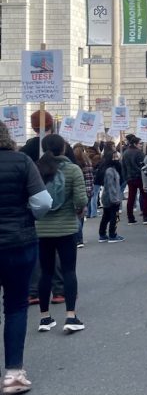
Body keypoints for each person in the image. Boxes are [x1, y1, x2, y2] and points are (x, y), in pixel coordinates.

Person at [0, 121, 51, 393]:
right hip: (19, 241)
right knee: (16, 306)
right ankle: (13, 374)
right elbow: (43, 202)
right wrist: (29, 216)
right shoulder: (22, 161)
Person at [35, 134, 87, 333]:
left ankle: (44, 317)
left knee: (45, 272)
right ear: (64, 149)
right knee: (68, 271)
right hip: (66, 227)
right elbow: (81, 200)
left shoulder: (37, 169)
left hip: (42, 228)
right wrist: (77, 209)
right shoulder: (73, 170)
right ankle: (71, 316)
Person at [95, 149, 124, 243]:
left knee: (106, 216)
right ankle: (112, 234)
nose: (117, 159)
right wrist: (115, 199)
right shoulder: (110, 171)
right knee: (114, 217)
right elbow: (111, 186)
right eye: (114, 157)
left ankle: (102, 234)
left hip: (107, 197)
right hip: (112, 197)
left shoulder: (110, 169)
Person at [121, 135, 147, 225]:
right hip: (139, 177)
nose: (141, 145)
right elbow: (143, 166)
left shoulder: (125, 152)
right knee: (145, 196)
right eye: (140, 143)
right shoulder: (139, 153)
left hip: (130, 178)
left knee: (131, 198)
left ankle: (130, 218)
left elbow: (123, 166)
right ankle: (146, 216)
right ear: (135, 144)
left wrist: (125, 177)